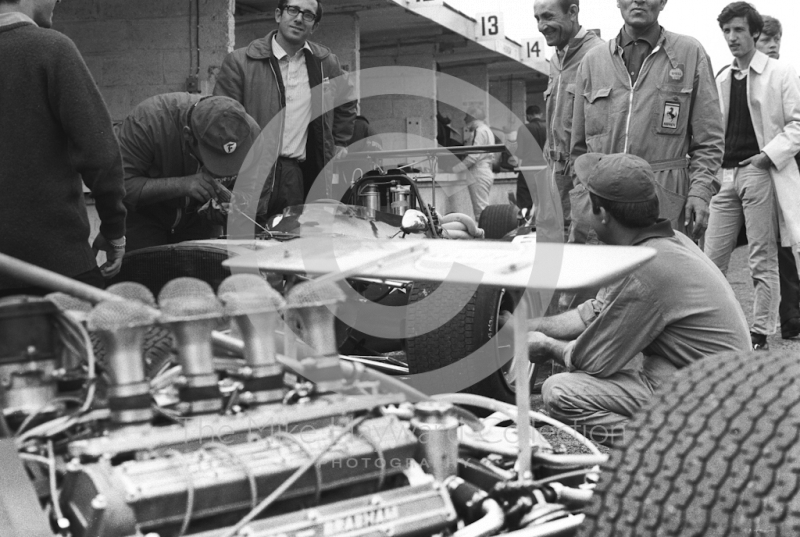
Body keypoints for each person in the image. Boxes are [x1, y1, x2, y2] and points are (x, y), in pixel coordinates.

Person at [519, 153, 750, 445]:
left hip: (720, 404)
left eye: (589, 203)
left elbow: (593, 361)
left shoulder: (648, 270)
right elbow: (593, 312)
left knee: (560, 392)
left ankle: (674, 451)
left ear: (602, 214)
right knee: (646, 365)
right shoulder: (665, 243)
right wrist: (526, 325)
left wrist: (547, 346)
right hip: (719, 386)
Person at [0, 0, 126, 297]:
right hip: (58, 270)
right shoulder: (51, 49)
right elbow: (100, 155)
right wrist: (114, 229)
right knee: (87, 342)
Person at [570, 0, 724, 239]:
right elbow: (578, 148)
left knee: (662, 273)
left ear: (663, 2)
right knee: (607, 275)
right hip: (603, 210)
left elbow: (709, 140)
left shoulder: (690, 53)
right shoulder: (592, 62)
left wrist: (700, 191)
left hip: (665, 206)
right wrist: (583, 198)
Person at [704, 3, 800, 351]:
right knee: (710, 259)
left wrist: (765, 157)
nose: (732, 38)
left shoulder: (780, 72)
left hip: (759, 172)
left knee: (763, 256)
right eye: (727, 31)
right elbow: (714, 129)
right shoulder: (722, 77)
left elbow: (797, 124)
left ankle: (759, 332)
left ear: (755, 33)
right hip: (725, 176)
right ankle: (715, 330)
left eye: (739, 30)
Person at [213, 0, 356, 222]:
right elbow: (219, 121)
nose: (299, 18)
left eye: (308, 15)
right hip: (251, 173)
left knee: (292, 246)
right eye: (293, 10)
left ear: (314, 26)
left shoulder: (325, 63)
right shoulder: (241, 62)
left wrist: (339, 142)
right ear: (279, 15)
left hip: (295, 175)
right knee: (247, 247)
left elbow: (346, 99)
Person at [118, 94, 261, 251]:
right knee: (148, 271)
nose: (222, 168)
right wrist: (182, 185)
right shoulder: (147, 123)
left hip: (200, 222)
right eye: (215, 159)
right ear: (188, 136)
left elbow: (252, 191)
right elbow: (122, 187)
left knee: (204, 271)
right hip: (146, 217)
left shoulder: (249, 134)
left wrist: (232, 205)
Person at [533, 0, 603, 234]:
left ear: (572, 12)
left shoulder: (598, 55)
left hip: (581, 181)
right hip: (553, 181)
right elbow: (555, 127)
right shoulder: (555, 60)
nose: (541, 26)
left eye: (548, 17)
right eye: (537, 19)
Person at [752, 14, 800, 339]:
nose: (774, 45)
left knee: (788, 247)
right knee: (769, 251)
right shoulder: (740, 79)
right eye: (767, 39)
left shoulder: (787, 75)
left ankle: (792, 318)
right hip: (756, 175)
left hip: (786, 168)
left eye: (777, 39)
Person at [453, 106, 495, 222]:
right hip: (485, 170)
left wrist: (455, 169)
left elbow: (472, 157)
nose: (465, 120)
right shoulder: (487, 130)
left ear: (473, 117)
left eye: (467, 116)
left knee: (480, 212)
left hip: (478, 172)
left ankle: (485, 237)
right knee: (483, 209)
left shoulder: (479, 131)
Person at [513, 105, 547, 214]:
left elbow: (520, 152)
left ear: (528, 116)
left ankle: (525, 222)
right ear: (540, 114)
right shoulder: (548, 127)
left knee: (525, 200)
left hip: (528, 169)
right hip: (546, 169)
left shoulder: (523, 128)